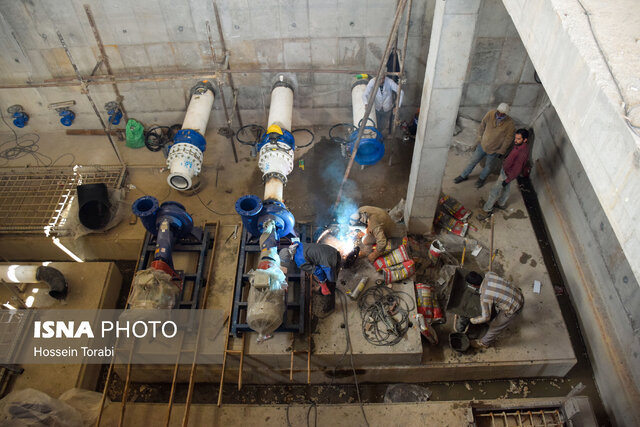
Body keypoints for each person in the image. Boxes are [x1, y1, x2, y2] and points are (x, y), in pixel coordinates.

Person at [455, 271, 524, 349]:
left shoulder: (485, 297)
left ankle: (484, 343)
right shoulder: (489, 274)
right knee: (494, 303)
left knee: (495, 326)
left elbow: (485, 318)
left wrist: (473, 320)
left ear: (473, 285)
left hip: (514, 307)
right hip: (518, 294)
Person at [453, 103, 516, 188]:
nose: (500, 115)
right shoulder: (490, 114)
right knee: (473, 161)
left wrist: (501, 150)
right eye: (499, 112)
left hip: (494, 150)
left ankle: (481, 179)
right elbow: (482, 125)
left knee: (488, 167)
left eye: (503, 114)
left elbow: (509, 139)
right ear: (496, 110)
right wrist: (479, 138)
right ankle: (463, 176)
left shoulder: (510, 124)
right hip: (482, 146)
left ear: (506, 114)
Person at [477, 129, 530, 221]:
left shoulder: (522, 153)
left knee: (494, 191)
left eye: (518, 139)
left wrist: (507, 179)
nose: (515, 140)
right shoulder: (520, 145)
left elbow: (517, 169)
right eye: (515, 138)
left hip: (507, 174)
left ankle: (487, 210)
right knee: (506, 188)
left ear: (525, 140)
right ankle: (501, 203)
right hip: (507, 171)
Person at [279, 242, 341, 313]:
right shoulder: (297, 245)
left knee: (330, 283)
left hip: (331, 261)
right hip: (332, 251)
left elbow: (319, 271)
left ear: (290, 259)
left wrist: (323, 283)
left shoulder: (300, 262)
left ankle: (330, 305)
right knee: (327, 278)